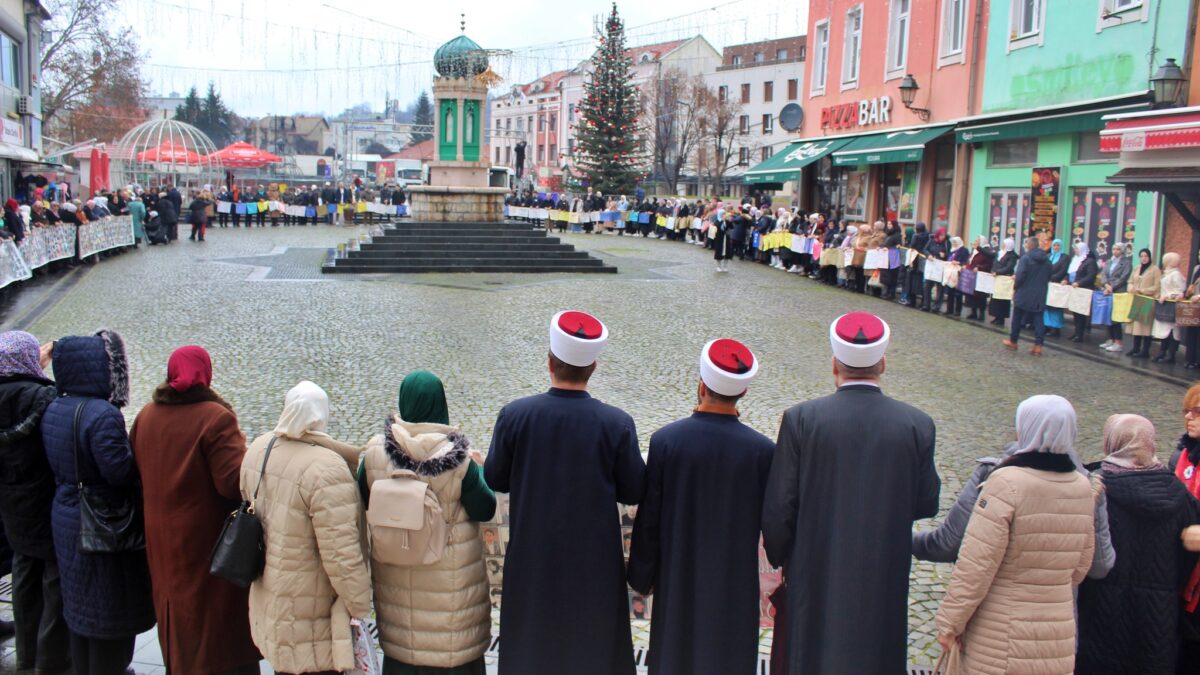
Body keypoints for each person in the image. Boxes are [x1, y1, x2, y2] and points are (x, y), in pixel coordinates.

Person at [762, 312, 940, 674]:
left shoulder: (802, 419)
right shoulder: (916, 424)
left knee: (812, 650)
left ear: (833, 364)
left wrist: (780, 558)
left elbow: (781, 507)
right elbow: (926, 501)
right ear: (883, 364)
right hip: (884, 565)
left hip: (815, 563)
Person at [484, 311, 645, 675]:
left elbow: (495, 477)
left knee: (533, 647)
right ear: (593, 367)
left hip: (534, 557)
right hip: (596, 564)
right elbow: (634, 488)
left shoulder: (515, 415)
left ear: (549, 363)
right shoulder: (617, 423)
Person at [627, 339, 774, 674]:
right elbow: (773, 522)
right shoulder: (762, 451)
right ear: (743, 394)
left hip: (678, 573)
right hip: (733, 579)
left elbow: (649, 519)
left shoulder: (667, 441)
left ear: (701, 386)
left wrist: (642, 575)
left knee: (676, 650)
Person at [934, 395, 1097, 675]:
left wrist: (950, 623)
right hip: (1057, 635)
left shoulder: (1006, 483)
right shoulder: (1083, 487)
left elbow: (977, 566)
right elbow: (1080, 567)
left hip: (1000, 633)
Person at [129, 346, 260, 675]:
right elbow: (232, 483)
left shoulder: (146, 415)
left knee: (177, 616)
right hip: (205, 541)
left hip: (162, 540)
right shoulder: (215, 418)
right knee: (215, 629)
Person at [359, 370, 495, 675]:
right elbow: (485, 508)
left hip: (398, 618)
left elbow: (362, 498)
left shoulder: (374, 453)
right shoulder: (458, 459)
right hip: (453, 619)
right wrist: (479, 469)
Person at [40, 331, 154, 675]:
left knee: (78, 603)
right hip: (101, 520)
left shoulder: (55, 406)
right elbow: (117, 471)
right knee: (108, 606)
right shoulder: (102, 414)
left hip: (65, 513)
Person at [241, 381, 371, 675]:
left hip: (272, 598)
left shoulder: (258, 449)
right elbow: (341, 554)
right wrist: (360, 603)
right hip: (314, 614)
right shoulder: (326, 468)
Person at [1077, 414, 1200, 674]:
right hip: (1158, 617)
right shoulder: (1180, 495)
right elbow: (1189, 556)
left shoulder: (1096, 489)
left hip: (1099, 611)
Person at [0, 331, 69, 674]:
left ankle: (27, 654)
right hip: (45, 498)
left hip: (11, 503)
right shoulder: (43, 396)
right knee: (54, 578)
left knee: (24, 568)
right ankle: (52, 658)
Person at [1170, 383, 1200, 668]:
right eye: (1186, 411)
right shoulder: (1180, 458)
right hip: (1178, 577)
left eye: (1198, 411)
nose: (1189, 417)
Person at [1003, 237, 1051, 355]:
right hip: (1040, 293)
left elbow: (1020, 276)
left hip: (1024, 292)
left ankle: (1013, 341)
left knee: (1017, 317)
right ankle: (1038, 345)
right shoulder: (1047, 260)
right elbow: (1049, 274)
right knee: (1039, 319)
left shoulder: (1026, 258)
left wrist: (1015, 287)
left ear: (1029, 246)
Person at [1097, 242, 1132, 353]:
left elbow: (1123, 278)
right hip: (1108, 292)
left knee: (1116, 318)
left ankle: (1118, 341)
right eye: (1114, 249)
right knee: (1108, 316)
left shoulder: (1126, 263)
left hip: (1118, 292)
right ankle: (1111, 339)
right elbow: (1103, 274)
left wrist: (1112, 287)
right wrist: (1106, 285)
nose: (1115, 251)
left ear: (1122, 250)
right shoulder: (1109, 261)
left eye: (1117, 249)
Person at [1127, 248, 1162, 358]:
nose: (1143, 258)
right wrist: (1131, 287)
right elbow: (1130, 281)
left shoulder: (1155, 270)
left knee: (1145, 326)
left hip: (1147, 299)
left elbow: (1157, 286)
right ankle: (1135, 348)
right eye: (1141, 256)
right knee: (1136, 325)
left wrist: (1143, 290)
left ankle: (1145, 350)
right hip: (1137, 299)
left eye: (1146, 256)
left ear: (1150, 257)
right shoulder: (1137, 268)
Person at [1154, 252, 1187, 363]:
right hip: (1164, 304)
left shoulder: (1176, 274)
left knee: (1173, 331)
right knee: (1164, 330)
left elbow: (1180, 291)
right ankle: (1162, 352)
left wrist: (1167, 296)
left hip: (1173, 306)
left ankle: (1171, 355)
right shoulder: (1166, 273)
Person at [1067, 241, 1099, 343]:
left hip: (1084, 290)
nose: (1075, 251)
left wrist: (1079, 283)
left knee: (1081, 313)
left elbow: (1090, 276)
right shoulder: (1077, 260)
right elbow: (1071, 273)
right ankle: (1076, 332)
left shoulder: (1090, 261)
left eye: (1077, 249)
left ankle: (1080, 334)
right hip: (1076, 289)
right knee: (1075, 312)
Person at [988, 238, 1018, 326]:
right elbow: (994, 262)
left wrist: (998, 272)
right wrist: (993, 270)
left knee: (1003, 299)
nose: (1003, 245)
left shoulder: (1012, 256)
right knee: (996, 298)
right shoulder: (1000, 253)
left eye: (1004, 244)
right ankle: (996, 316)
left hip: (1005, 279)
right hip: (997, 279)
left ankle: (1001, 318)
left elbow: (1009, 267)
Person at [966, 235, 995, 321]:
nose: (976, 241)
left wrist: (979, 267)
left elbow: (989, 264)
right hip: (972, 274)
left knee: (981, 295)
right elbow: (970, 260)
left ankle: (981, 314)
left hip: (982, 276)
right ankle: (973, 312)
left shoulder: (986, 251)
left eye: (978, 240)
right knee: (972, 294)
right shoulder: (974, 250)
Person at [1044, 239, 1069, 335]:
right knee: (1047, 305)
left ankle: (1056, 327)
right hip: (1047, 284)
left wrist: (1052, 278)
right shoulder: (1049, 256)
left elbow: (1063, 270)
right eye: (1054, 245)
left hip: (1057, 284)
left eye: (1058, 245)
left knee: (1055, 306)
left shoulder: (1064, 257)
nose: (1056, 247)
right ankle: (1047, 325)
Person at [921, 227, 950, 312]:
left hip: (940, 266)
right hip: (931, 265)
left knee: (940, 288)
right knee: (927, 286)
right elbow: (925, 249)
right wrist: (928, 255)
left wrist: (944, 255)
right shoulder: (932, 240)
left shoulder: (947, 243)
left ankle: (936, 307)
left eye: (944, 235)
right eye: (941, 235)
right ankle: (926, 305)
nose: (942, 237)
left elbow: (949, 254)